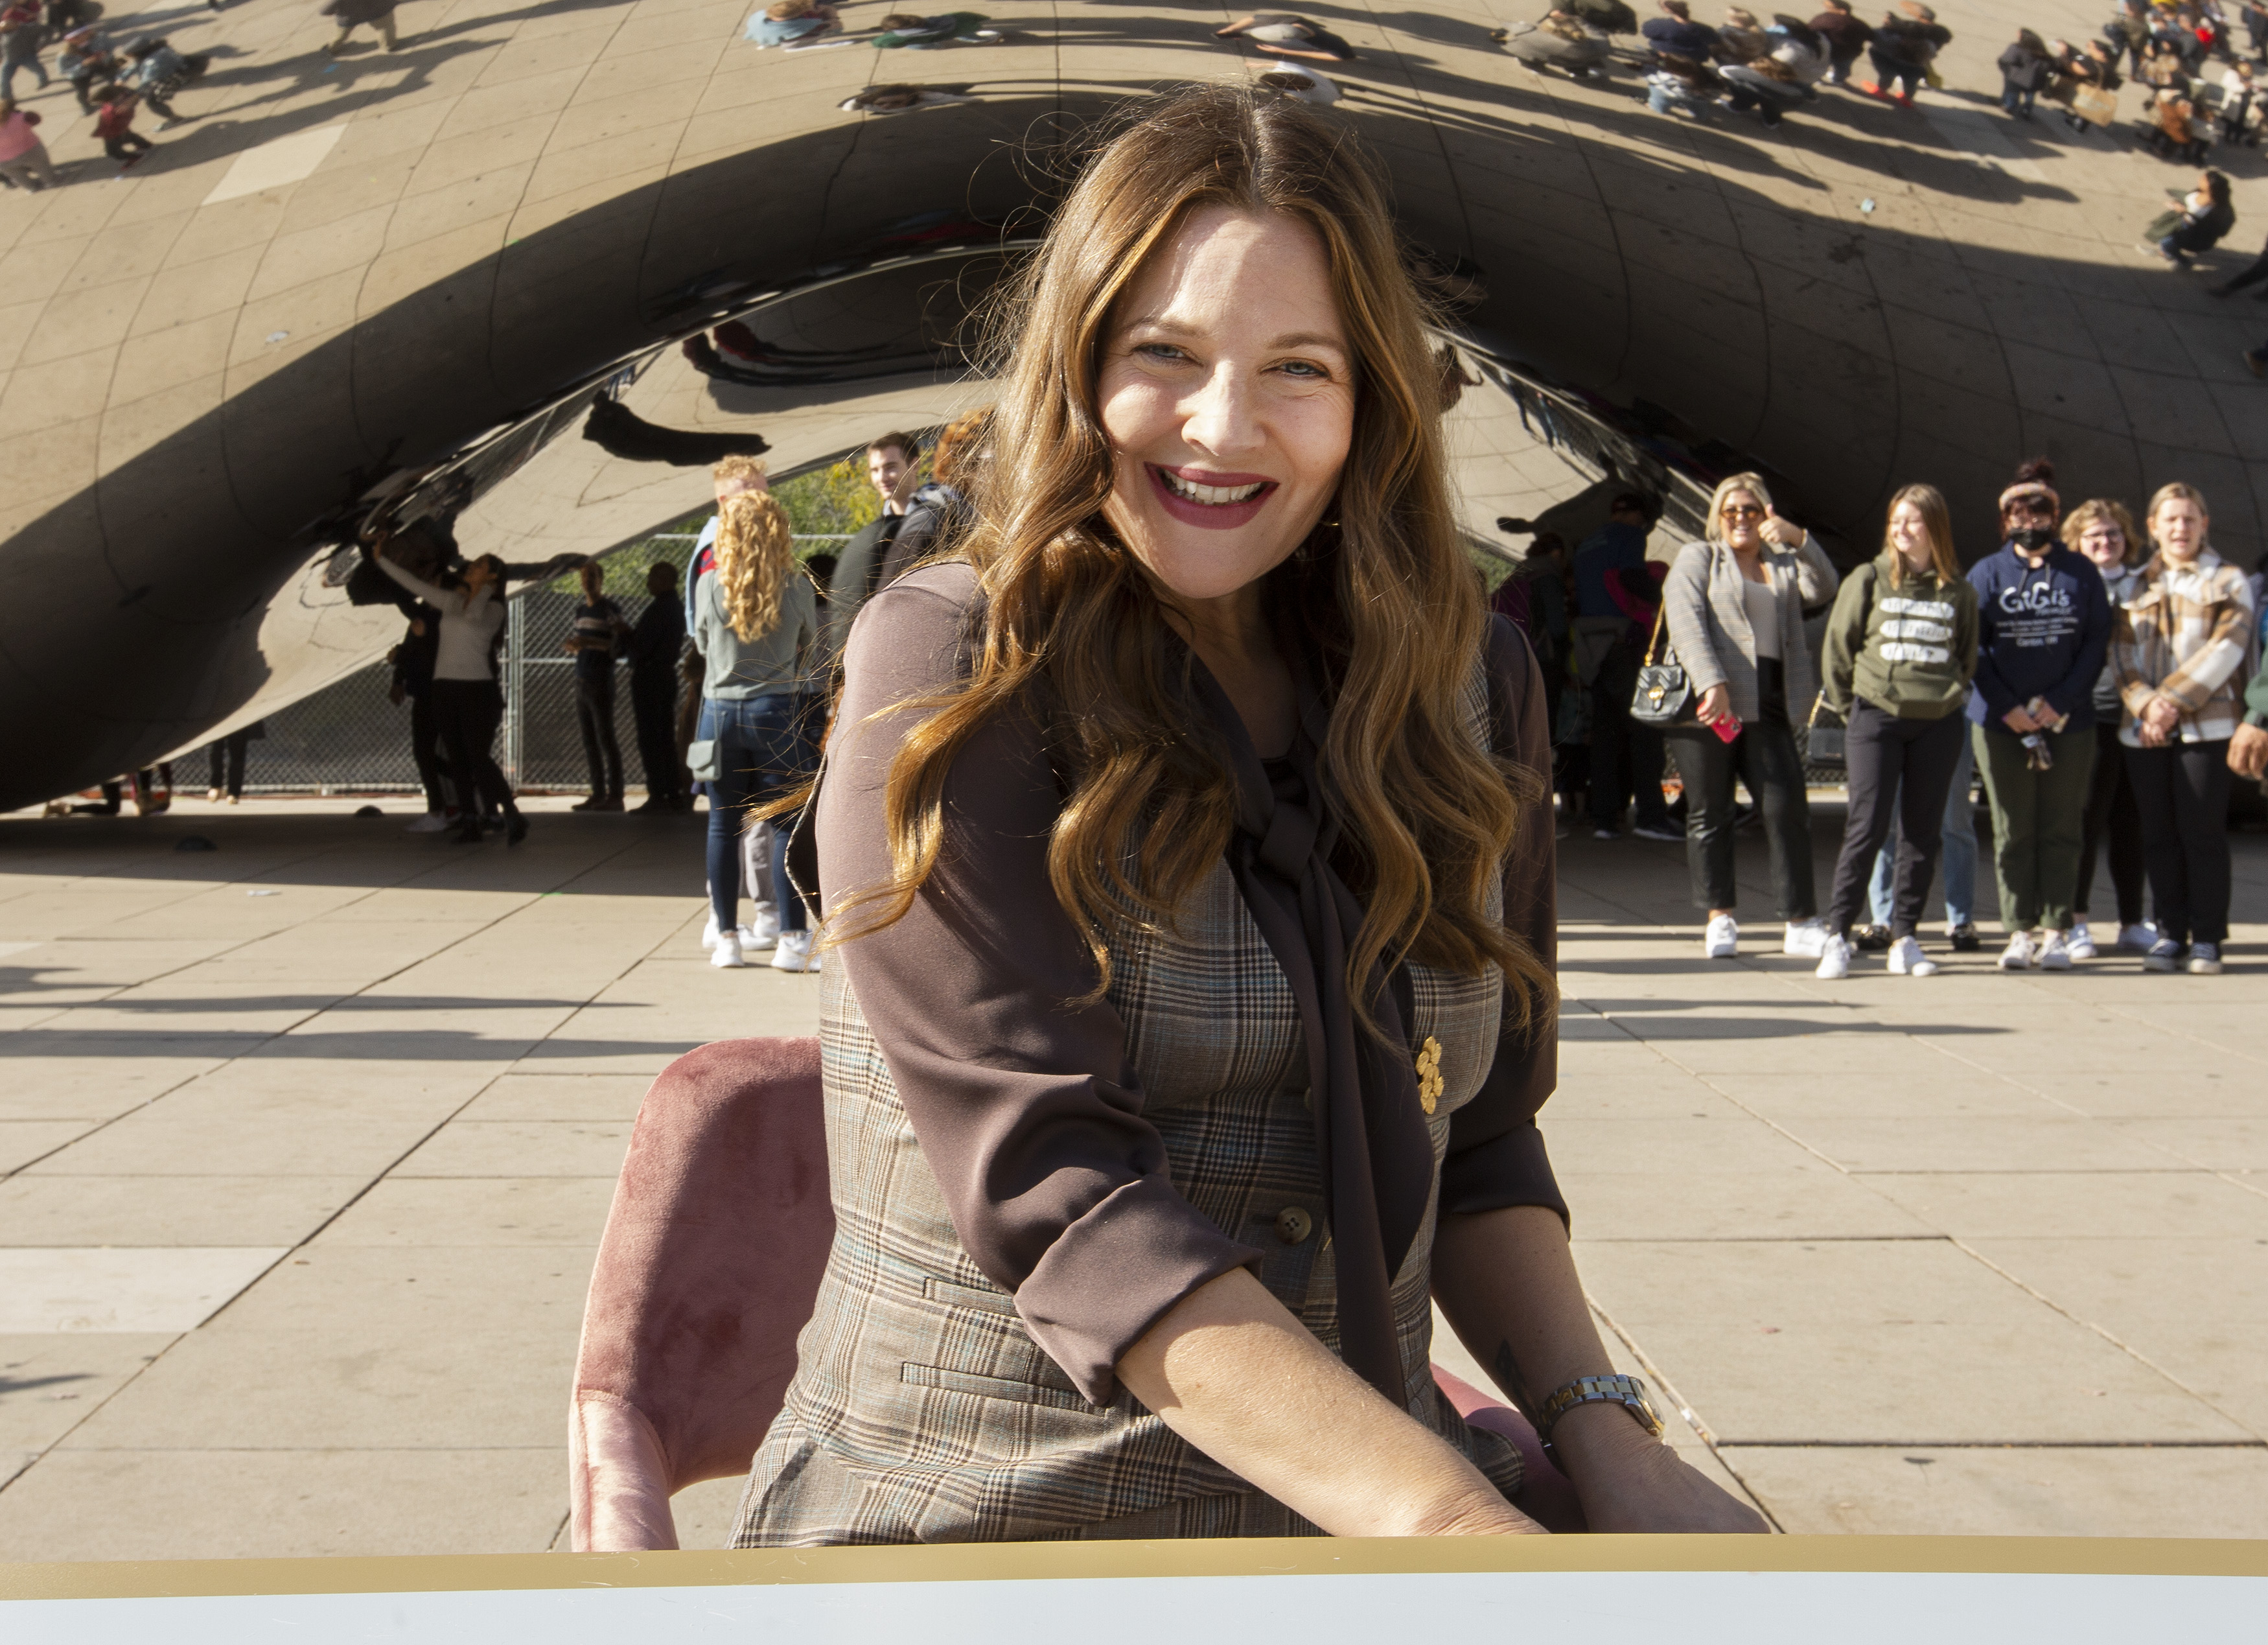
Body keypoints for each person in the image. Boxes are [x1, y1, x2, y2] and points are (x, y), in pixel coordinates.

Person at [733, 85, 1763, 1548]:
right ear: (1079, 368)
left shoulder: (1477, 685)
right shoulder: (958, 666)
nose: (1223, 427)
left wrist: (1604, 1432)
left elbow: (1479, 1141)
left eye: (1298, 367)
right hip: (984, 1532)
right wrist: (1467, 1538)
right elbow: (1065, 1198)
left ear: (1371, 403)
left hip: (1393, 1513)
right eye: (1164, 353)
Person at [1661, 472, 1838, 961]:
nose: (1741, 518)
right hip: (1712, 701)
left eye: (1752, 510)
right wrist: (1709, 680)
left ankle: (1801, 920)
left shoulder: (1780, 566)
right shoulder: (1700, 556)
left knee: (1787, 809)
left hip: (1769, 700)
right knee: (1711, 812)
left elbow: (1824, 587)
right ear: (1718, 516)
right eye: (1732, 511)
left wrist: (1799, 539)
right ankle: (1720, 918)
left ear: (1766, 515)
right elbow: (1684, 618)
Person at [1812, 486, 1978, 981]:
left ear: (1936, 527)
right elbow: (1839, 651)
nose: (1902, 531)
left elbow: (1965, 657)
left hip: (1938, 722)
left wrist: (1948, 696)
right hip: (1875, 717)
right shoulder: (1869, 578)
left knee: (1923, 833)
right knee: (1866, 828)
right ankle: (1838, 935)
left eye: (1913, 522)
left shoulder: (1959, 591)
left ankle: (1905, 936)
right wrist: (1854, 710)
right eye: (1895, 522)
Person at [1965, 458, 2112, 972]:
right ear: (2005, 520)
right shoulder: (1985, 574)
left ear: (2056, 513)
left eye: (2041, 510)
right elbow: (1972, 649)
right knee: (2012, 828)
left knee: (2062, 825)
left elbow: (2096, 642)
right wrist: (2007, 707)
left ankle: (2056, 930)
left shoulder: (2081, 572)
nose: (2030, 521)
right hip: (2002, 724)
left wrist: (2062, 702)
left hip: (2068, 722)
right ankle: (2018, 932)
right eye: (2019, 513)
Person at [2114, 484, 2255, 975]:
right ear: (2153, 528)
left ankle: (2208, 938)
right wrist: (2146, 705)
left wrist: (2168, 702)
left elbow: (2227, 650)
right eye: (2170, 520)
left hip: (2207, 728)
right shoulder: (2132, 585)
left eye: (2189, 520)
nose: (2180, 529)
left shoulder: (2231, 581)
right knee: (2158, 834)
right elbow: (2121, 655)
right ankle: (2170, 932)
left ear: (2204, 525)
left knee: (2202, 833)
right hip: (2145, 730)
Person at [693, 491, 820, 972]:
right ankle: (792, 939)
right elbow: (810, 645)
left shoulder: (708, 585)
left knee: (723, 826)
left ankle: (726, 937)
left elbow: (703, 643)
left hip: (719, 713)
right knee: (785, 823)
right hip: (778, 711)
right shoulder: (796, 585)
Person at [368, 541, 528, 846]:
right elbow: (412, 584)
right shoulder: (451, 602)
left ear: (493, 577)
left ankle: (510, 811)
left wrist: (477, 592)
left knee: (477, 757)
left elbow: (472, 619)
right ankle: (470, 821)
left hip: (475, 688)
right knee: (456, 758)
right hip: (444, 686)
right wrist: (382, 561)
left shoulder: (493, 608)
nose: (471, 567)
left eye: (480, 566)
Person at [2065, 499, 2154, 959]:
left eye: (2113, 534)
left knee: (2131, 823)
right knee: (2086, 819)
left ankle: (2132, 921)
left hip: (2138, 718)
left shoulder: (2145, 585)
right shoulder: (2072, 585)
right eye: (2095, 536)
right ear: (2078, 542)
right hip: (2090, 716)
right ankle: (2076, 921)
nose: (2105, 543)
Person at [1573, 494, 1674, 841]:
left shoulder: (1588, 541)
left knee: (1605, 737)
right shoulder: (1630, 537)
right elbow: (1631, 577)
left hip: (1592, 646)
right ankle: (1651, 816)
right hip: (1623, 642)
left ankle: (1604, 819)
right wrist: (1667, 593)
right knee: (1646, 730)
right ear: (1635, 516)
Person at [823, 431, 924, 649]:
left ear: (914, 465)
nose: (881, 478)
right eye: (875, 471)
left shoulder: (939, 518)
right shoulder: (875, 535)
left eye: (890, 467)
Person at [563, 561, 628, 812]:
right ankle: (598, 793)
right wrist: (573, 646)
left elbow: (619, 645)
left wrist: (589, 642)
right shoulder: (581, 611)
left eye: (592, 576)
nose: (587, 580)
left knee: (605, 737)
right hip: (581, 679)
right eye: (584, 576)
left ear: (601, 580)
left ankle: (616, 794)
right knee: (589, 739)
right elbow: (581, 643)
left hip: (601, 679)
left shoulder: (609, 609)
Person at [626, 560, 688, 813]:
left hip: (652, 678)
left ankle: (659, 793)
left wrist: (625, 635)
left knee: (652, 737)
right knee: (663, 736)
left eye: (652, 578)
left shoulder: (662, 609)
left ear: (664, 581)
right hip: (661, 676)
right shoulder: (671, 607)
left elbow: (644, 644)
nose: (648, 583)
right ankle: (670, 792)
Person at [1862, 0, 1948, 104]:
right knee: (1911, 82)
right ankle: (1907, 99)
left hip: (1896, 60)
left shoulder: (1903, 36)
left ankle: (1881, 91)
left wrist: (1890, 24)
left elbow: (1882, 38)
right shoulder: (1934, 40)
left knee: (1887, 75)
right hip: (1916, 65)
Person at [2148, 171, 2234, 264]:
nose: (2200, 179)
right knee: (2163, 234)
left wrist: (2184, 212)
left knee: (2166, 242)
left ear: (2210, 187)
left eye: (2203, 179)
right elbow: (2187, 201)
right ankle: (2166, 253)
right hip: (2179, 222)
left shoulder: (2214, 209)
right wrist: (2175, 205)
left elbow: (2203, 228)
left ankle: (2183, 262)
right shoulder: (2199, 191)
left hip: (2192, 235)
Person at [1214, 13, 1360, 60]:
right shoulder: (1284, 21)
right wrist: (1230, 29)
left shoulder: (1329, 43)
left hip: (1316, 45)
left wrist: (1281, 51)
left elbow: (1340, 57)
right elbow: (1252, 18)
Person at [91, 84, 152, 171]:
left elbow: (109, 122)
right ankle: (145, 144)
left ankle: (135, 157)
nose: (100, 103)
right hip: (120, 127)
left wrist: (103, 131)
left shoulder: (113, 108)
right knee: (128, 136)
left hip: (113, 131)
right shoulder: (120, 96)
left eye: (100, 101)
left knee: (112, 151)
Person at [1811, 0, 1872, 83]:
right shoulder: (1859, 24)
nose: (1827, 10)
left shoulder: (1824, 19)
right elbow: (1871, 36)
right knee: (1843, 69)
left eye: (1829, 8)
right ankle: (1838, 81)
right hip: (1849, 54)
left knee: (1820, 66)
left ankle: (1816, 79)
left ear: (1842, 11)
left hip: (1828, 51)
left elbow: (1810, 30)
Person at [0, 97, 54, 191]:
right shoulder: (21, 117)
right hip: (30, 150)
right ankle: (50, 182)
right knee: (42, 167)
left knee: (18, 176)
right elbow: (37, 119)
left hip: (4, 161)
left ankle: (31, 188)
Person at [1643, 0, 1720, 60]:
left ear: (1667, 9)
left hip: (1665, 61)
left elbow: (1645, 32)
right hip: (1693, 64)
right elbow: (1716, 41)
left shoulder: (1660, 25)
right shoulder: (1705, 29)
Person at [203, 723, 261, 803]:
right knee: (215, 751)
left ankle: (233, 793)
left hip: (238, 717)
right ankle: (216, 786)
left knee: (237, 753)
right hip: (219, 718)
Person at [1998, 27, 2049, 117]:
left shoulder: (2017, 47)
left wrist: (2004, 67)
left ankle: (2009, 106)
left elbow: (2007, 59)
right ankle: (2026, 110)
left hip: (2017, 77)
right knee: (2030, 95)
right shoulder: (2041, 51)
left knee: (2012, 91)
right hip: (2034, 79)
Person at [319, 0, 403, 54]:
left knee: (341, 35)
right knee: (384, 28)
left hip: (349, 16)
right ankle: (389, 45)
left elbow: (324, 11)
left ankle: (333, 47)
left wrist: (335, 12)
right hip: (378, 10)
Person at [0, 5, 46, 101]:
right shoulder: (3, 34)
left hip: (25, 56)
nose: (6, 28)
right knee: (4, 79)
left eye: (9, 25)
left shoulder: (25, 29)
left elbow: (44, 30)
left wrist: (40, 45)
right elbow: (2, 47)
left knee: (37, 69)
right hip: (10, 60)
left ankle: (43, 80)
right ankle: (7, 98)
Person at [746, 0, 840, 47]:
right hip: (790, 37)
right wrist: (832, 19)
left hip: (762, 37)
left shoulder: (759, 16)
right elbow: (814, 23)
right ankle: (832, 28)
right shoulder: (804, 22)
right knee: (831, 17)